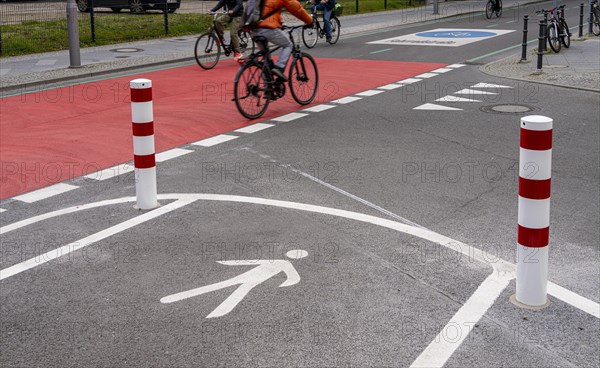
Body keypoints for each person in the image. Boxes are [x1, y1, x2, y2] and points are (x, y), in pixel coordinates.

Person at [252, 0, 313, 81]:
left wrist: (279, 23)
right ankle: (279, 68)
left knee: (266, 59)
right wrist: (309, 20)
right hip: (268, 27)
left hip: (253, 29)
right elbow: (295, 8)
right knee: (288, 45)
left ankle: (268, 86)